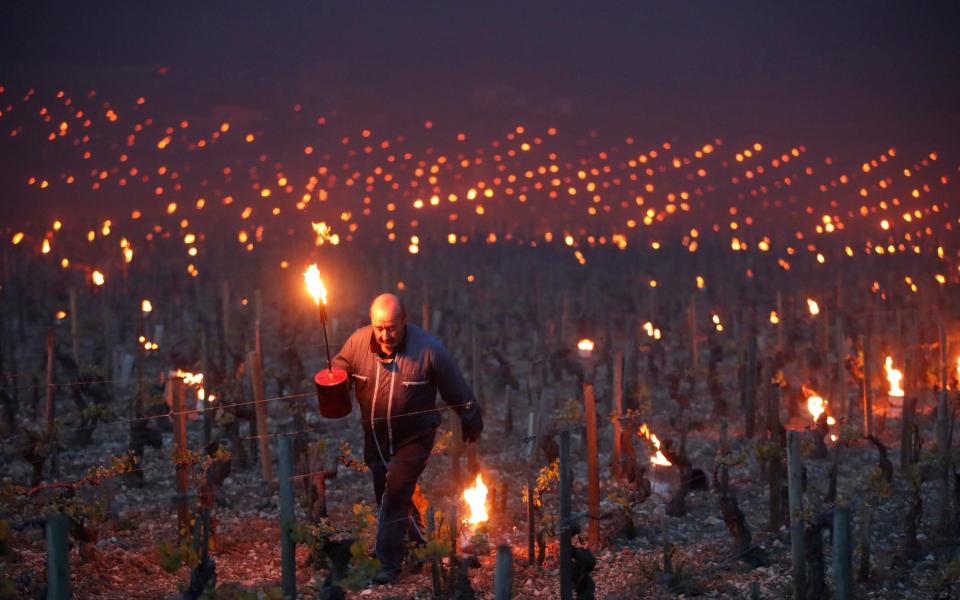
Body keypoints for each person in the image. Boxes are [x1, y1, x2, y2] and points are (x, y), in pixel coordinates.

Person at [332, 293, 483, 584]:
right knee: (385, 492)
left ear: (404, 321)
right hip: (375, 435)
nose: (385, 334)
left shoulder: (429, 349)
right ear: (371, 323)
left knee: (396, 494)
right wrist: (332, 379)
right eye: (379, 327)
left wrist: (470, 416)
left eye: (391, 327)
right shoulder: (357, 342)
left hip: (415, 435)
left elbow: (456, 388)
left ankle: (387, 563)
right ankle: (418, 547)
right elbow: (339, 367)